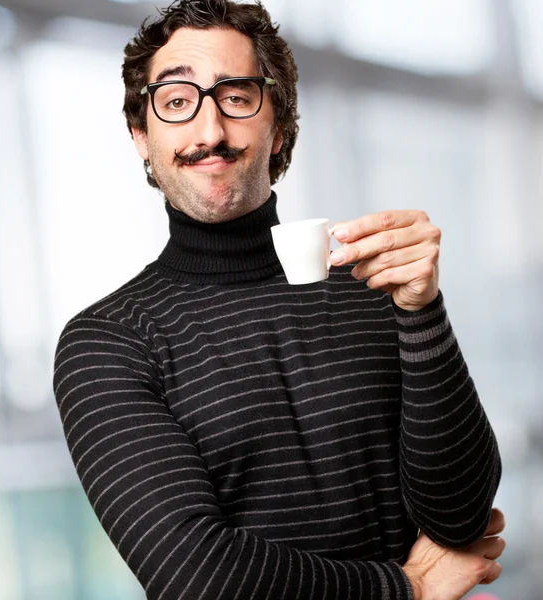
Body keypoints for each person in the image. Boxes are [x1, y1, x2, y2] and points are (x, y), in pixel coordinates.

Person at [52, 1, 504, 598]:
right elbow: (197, 577)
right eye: (177, 101)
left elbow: (461, 518)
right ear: (142, 136)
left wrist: (422, 310)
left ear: (280, 129)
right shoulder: (107, 342)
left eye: (236, 97)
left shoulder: (374, 287)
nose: (209, 132)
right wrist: (406, 590)